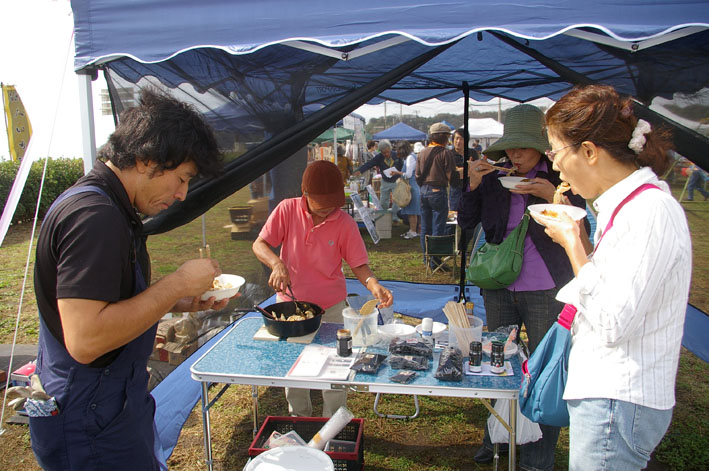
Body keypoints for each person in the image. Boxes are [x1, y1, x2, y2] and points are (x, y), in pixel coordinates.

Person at [31, 89, 228, 470]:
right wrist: (175, 284)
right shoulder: (94, 215)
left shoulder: (107, 206)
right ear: (146, 158)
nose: (183, 194)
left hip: (110, 407)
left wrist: (179, 301)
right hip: (89, 420)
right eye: (182, 178)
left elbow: (107, 301)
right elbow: (86, 339)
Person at [536, 84, 691, 471]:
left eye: (555, 152)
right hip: (610, 395)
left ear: (588, 151)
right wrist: (584, 244)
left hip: (617, 397)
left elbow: (611, 322)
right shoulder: (624, 208)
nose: (554, 166)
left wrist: (574, 246)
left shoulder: (648, 211)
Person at [458, 104, 589, 470]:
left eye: (522, 147)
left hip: (547, 286)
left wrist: (553, 196)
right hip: (499, 285)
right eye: (510, 148)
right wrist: (472, 184)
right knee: (498, 364)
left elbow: (583, 232)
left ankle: (538, 456)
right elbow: (467, 221)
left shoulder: (561, 179)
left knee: (546, 370)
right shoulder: (495, 178)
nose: (514, 155)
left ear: (541, 147)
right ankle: (496, 438)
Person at [252, 160, 393, 417]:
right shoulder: (287, 210)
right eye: (323, 205)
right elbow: (260, 245)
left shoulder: (344, 222)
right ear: (305, 194)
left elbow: (359, 265)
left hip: (331, 308)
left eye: (334, 204)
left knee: (335, 367)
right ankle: (299, 418)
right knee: (294, 368)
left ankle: (334, 423)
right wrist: (276, 263)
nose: (329, 210)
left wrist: (374, 285)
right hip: (291, 308)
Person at [415, 123, 457, 266]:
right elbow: (451, 176)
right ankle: (435, 261)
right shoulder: (446, 153)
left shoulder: (421, 153)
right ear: (445, 137)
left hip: (423, 191)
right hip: (438, 191)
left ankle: (426, 259)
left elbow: (417, 175)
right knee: (438, 227)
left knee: (425, 227)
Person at [354, 139, 403, 222]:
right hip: (385, 181)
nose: (386, 154)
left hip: (396, 181)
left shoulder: (396, 155)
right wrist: (360, 170)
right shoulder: (379, 157)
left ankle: (395, 218)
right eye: (384, 153)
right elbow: (369, 164)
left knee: (396, 201)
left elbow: (402, 166)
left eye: (387, 152)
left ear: (390, 149)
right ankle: (383, 218)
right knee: (384, 201)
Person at [391, 140, 421, 239]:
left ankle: (413, 231)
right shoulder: (412, 156)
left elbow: (408, 175)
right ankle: (415, 230)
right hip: (413, 187)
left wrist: (397, 173)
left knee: (412, 212)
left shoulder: (410, 158)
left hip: (411, 188)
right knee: (414, 212)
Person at [448, 127, 469, 217]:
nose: (458, 141)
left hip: (470, 188)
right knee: (454, 214)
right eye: (456, 138)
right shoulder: (449, 154)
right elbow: (451, 174)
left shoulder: (472, 153)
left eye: (462, 139)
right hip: (455, 188)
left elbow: (477, 169)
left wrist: (460, 170)